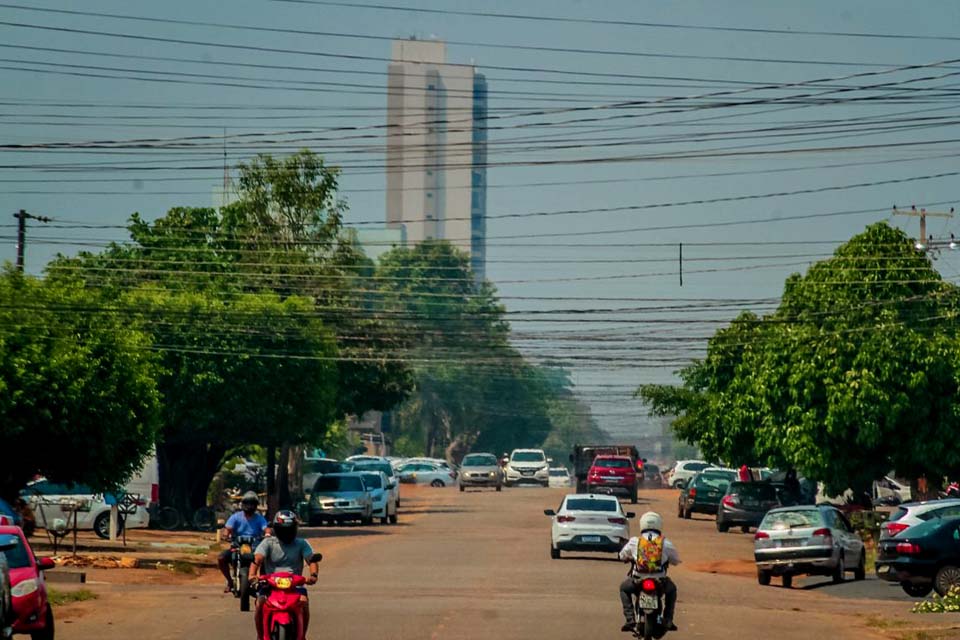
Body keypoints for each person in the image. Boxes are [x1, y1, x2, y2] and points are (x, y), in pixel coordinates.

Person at [249, 511, 319, 640]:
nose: (287, 533)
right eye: (283, 530)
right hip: (270, 584)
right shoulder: (268, 543)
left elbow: (311, 560)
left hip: (295, 585)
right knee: (260, 603)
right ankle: (260, 636)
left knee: (304, 602)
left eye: (290, 529)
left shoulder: (302, 543)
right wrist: (252, 575)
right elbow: (257, 559)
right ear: (276, 529)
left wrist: (313, 575)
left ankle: (302, 635)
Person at [618, 511, 680, 633]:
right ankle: (668, 619)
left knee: (623, 589)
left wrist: (627, 558)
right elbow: (676, 560)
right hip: (660, 581)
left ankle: (630, 620)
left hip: (638, 579)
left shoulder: (634, 541)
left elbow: (622, 555)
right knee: (672, 591)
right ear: (659, 525)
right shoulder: (665, 543)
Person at [218, 491, 269, 593]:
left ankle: (264, 582)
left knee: (265, 560)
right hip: (237, 545)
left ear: (255, 505)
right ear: (243, 504)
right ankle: (230, 581)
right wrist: (226, 535)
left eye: (252, 503)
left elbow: (266, 528)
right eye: (247, 503)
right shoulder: (236, 517)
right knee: (221, 558)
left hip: (255, 546)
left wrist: (267, 534)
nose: (249, 506)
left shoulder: (259, 518)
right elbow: (228, 528)